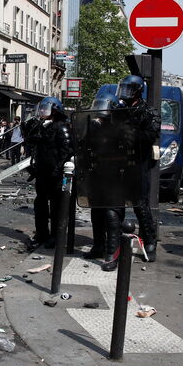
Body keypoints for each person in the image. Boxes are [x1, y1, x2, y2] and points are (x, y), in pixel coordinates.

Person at [101, 74, 160, 269]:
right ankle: (112, 251)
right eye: (123, 89)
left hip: (137, 165)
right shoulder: (117, 109)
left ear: (137, 91)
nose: (124, 93)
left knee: (140, 207)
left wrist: (131, 131)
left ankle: (150, 243)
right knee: (112, 210)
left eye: (128, 89)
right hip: (115, 165)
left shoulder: (148, 112)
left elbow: (151, 135)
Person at [81, 93, 127, 261]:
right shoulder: (94, 127)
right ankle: (99, 246)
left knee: (112, 214)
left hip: (115, 178)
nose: (101, 112)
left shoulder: (122, 128)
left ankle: (112, 253)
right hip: (97, 175)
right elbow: (85, 147)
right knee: (97, 213)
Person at [25, 95, 74, 249]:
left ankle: (55, 236)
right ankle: (41, 234)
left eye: (45, 109)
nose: (42, 112)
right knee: (40, 205)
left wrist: (58, 170)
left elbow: (66, 152)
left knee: (56, 207)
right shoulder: (43, 126)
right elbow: (30, 138)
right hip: (42, 172)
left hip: (55, 174)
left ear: (55, 111)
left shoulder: (62, 127)